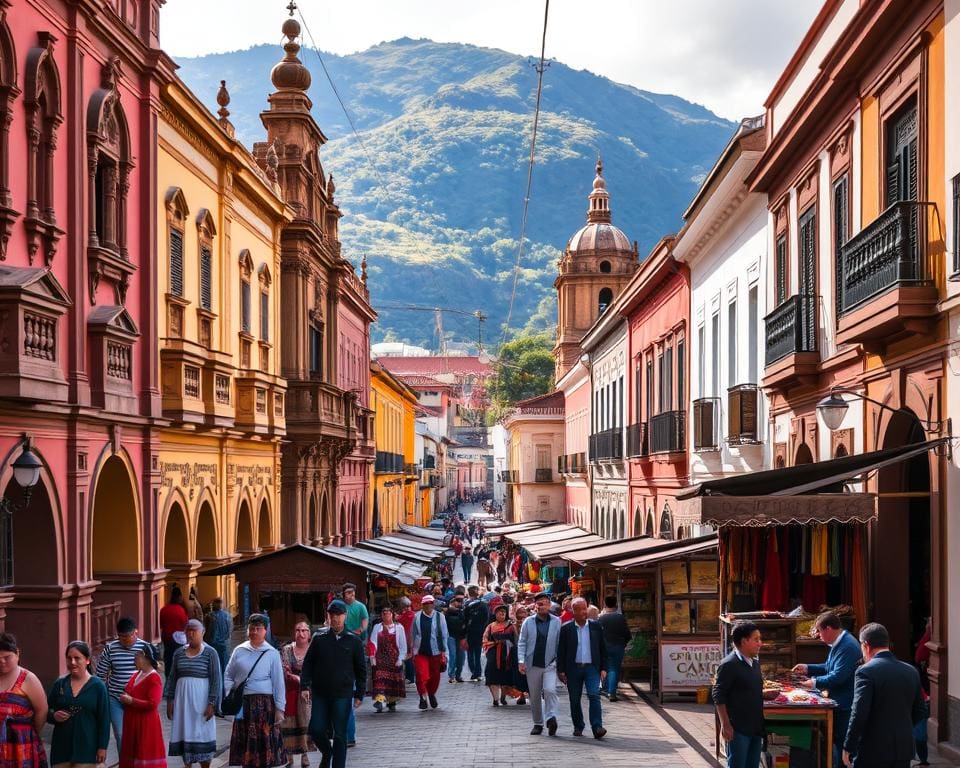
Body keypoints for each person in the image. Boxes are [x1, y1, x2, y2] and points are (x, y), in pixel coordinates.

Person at [842, 622, 925, 768]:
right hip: (903, 748)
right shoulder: (911, 671)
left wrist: (849, 745)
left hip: (873, 749)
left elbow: (859, 713)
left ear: (865, 645)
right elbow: (920, 711)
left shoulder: (865, 671)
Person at [300, 600, 365, 768]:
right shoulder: (319, 639)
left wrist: (360, 694)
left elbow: (361, 670)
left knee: (340, 735)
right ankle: (327, 752)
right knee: (316, 729)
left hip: (343, 694)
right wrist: (304, 686)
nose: (335, 619)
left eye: (339, 615)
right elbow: (308, 664)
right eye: (332, 615)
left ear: (345, 616)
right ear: (328, 617)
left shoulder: (354, 641)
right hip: (321, 693)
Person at [792, 611, 861, 766]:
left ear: (828, 629)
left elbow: (838, 676)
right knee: (837, 743)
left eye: (819, 631)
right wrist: (808, 668)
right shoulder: (838, 642)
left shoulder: (848, 646)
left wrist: (814, 682)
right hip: (839, 701)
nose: (818, 635)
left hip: (845, 704)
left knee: (844, 745)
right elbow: (829, 667)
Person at [224, 613, 287, 768]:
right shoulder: (239, 650)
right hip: (243, 703)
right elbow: (228, 675)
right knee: (245, 744)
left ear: (265, 631)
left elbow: (278, 682)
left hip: (264, 705)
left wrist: (280, 708)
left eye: (258, 629)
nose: (254, 632)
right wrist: (227, 696)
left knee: (264, 744)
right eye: (251, 628)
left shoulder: (272, 653)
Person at [165, 618, 222, 768]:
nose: (191, 633)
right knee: (185, 733)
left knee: (203, 735)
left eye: (194, 630)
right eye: (188, 630)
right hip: (183, 704)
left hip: (202, 702)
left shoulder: (210, 653)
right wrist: (170, 700)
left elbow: (216, 680)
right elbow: (172, 678)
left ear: (202, 632)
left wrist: (212, 703)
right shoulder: (179, 653)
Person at [48, 640, 111, 768]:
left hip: (88, 750)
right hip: (61, 750)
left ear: (87, 660)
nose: (72, 663)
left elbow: (104, 719)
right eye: (69, 658)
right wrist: (54, 716)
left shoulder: (98, 686)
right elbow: (46, 711)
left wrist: (102, 747)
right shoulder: (60, 684)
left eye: (77, 658)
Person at [95, 615, 154, 752]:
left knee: (139, 735)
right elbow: (101, 674)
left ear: (135, 632)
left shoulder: (145, 647)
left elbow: (152, 674)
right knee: (121, 735)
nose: (125, 641)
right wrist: (103, 695)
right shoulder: (111, 648)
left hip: (138, 700)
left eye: (128, 636)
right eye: (121, 637)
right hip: (115, 698)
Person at [713, 620, 764, 768]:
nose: (760, 643)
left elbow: (747, 688)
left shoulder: (754, 663)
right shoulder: (729, 664)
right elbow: (718, 695)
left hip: (755, 727)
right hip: (738, 729)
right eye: (756, 639)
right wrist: (726, 724)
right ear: (744, 641)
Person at [557, 596, 607, 739]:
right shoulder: (566, 629)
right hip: (573, 668)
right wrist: (560, 670)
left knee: (594, 694)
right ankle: (578, 726)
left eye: (584, 608)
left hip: (592, 667)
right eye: (578, 609)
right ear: (573, 611)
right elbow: (561, 651)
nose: (582, 612)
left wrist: (604, 668)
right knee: (574, 699)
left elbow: (603, 648)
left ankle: (597, 727)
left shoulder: (596, 626)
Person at [0, 632, 48, 768]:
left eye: (6, 657)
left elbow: (42, 710)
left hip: (21, 744)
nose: (2, 662)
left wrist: (30, 734)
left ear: (17, 654)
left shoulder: (28, 678)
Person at [517, 592, 561, 736]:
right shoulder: (528, 622)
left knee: (550, 690)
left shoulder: (556, 621)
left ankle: (551, 718)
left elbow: (559, 643)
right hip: (532, 664)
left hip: (550, 663)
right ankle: (538, 723)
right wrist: (521, 661)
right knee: (534, 695)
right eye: (539, 603)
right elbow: (522, 642)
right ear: (535, 606)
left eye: (544, 603)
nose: (541, 606)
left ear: (549, 605)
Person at [118, 644, 166, 768]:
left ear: (146, 658)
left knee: (144, 753)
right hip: (132, 721)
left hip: (145, 724)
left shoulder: (154, 678)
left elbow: (153, 703)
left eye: (137, 656)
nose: (134, 659)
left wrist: (131, 701)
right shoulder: (137, 674)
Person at [280, 620, 314, 767]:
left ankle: (305, 755)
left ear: (309, 634)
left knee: (306, 722)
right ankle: (289, 756)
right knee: (288, 724)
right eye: (298, 630)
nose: (301, 633)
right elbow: (285, 670)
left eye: (304, 630)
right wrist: (299, 679)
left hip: (309, 694)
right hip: (290, 692)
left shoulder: (313, 649)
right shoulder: (287, 650)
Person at [409, 594, 449, 710]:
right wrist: (411, 650)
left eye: (430, 604)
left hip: (436, 651)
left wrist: (444, 652)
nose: (428, 606)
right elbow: (413, 634)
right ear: (422, 605)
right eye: (425, 604)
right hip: (420, 651)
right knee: (422, 675)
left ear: (433, 604)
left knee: (435, 676)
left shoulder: (440, 617)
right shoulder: (416, 617)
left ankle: (431, 693)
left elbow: (444, 635)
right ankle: (423, 697)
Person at [341, 584, 367, 749]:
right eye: (346, 593)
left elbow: (364, 623)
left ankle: (349, 736)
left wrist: (359, 631)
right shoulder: (340, 607)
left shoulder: (360, 607)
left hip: (356, 642)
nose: (348, 596)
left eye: (350, 593)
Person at [368, 605, 407, 712]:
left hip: (394, 659)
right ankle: (380, 701)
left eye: (388, 613)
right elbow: (372, 642)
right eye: (384, 614)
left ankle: (391, 702)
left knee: (393, 681)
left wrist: (400, 658)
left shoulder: (399, 627)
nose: (386, 616)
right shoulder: (377, 627)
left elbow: (403, 645)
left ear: (392, 615)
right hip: (380, 658)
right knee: (380, 679)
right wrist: (372, 656)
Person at [598, 595, 632, 702]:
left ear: (605, 604)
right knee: (614, 668)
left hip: (605, 646)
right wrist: (623, 643)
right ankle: (611, 692)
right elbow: (627, 634)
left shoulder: (601, 618)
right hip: (618, 646)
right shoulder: (620, 618)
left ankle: (607, 689)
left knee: (606, 667)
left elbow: (597, 634)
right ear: (616, 605)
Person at [482, 604, 517, 706]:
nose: (502, 613)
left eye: (504, 612)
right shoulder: (491, 626)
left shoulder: (511, 626)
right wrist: (493, 643)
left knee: (506, 677)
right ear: (495, 614)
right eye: (499, 611)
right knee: (492, 675)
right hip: (493, 654)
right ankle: (495, 699)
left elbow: (516, 639)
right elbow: (485, 639)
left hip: (508, 654)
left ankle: (503, 697)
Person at [160, 586, 190, 676]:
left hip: (167, 639)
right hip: (179, 641)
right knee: (179, 661)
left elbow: (161, 625)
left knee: (168, 661)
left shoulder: (164, 609)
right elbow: (186, 625)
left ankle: (169, 680)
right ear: (180, 597)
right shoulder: (182, 610)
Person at [463, 586, 488, 682]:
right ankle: (477, 673)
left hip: (470, 632)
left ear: (469, 593)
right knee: (477, 654)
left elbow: (464, 619)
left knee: (470, 653)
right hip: (480, 631)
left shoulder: (467, 604)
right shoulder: (484, 604)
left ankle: (474, 671)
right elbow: (487, 618)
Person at [206, 597, 233, 677]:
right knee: (224, 666)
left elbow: (207, 631)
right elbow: (230, 630)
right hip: (224, 645)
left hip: (212, 644)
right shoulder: (227, 615)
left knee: (213, 667)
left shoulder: (210, 616)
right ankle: (224, 686)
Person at [444, 595, 467, 684]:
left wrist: (465, 636)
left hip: (461, 637)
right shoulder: (447, 613)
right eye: (456, 601)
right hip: (451, 636)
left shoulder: (462, 612)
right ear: (451, 603)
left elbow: (465, 624)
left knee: (461, 657)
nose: (458, 603)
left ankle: (458, 675)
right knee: (453, 656)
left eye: (459, 601)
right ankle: (452, 675)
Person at [396, 598, 417, 684]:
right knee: (409, 658)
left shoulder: (409, 615)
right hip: (409, 639)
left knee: (409, 658)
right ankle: (410, 676)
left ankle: (410, 677)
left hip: (407, 639)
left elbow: (399, 619)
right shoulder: (412, 614)